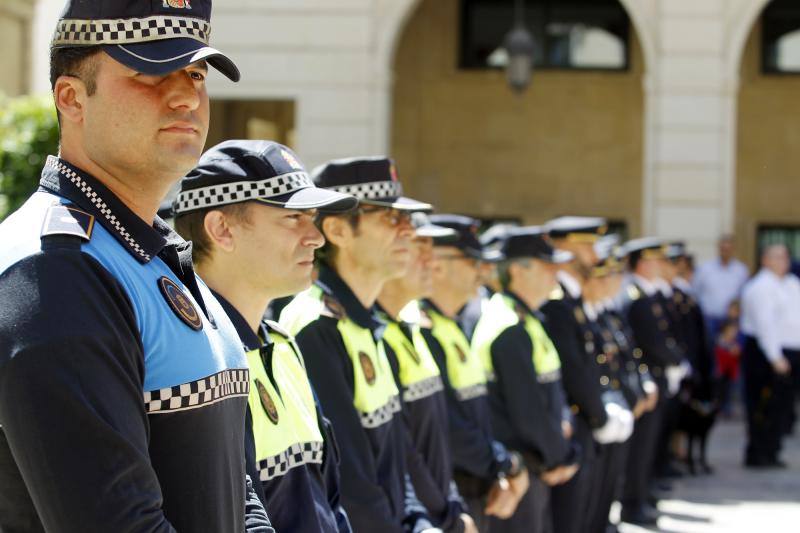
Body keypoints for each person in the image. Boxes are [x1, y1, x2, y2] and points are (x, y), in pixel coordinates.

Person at [0, 1, 275, 531]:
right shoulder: (52, 271)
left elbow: (233, 480)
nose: (186, 94)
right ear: (71, 98)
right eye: (149, 72)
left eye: (195, 72)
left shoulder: (150, 251)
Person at [173, 140, 358, 531]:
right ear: (221, 229)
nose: (317, 237)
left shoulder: (284, 346)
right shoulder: (189, 357)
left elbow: (330, 502)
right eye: (293, 218)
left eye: (313, 217)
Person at [280, 156, 438, 532]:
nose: (408, 231)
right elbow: (349, 482)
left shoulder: (367, 323)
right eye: (390, 218)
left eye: (407, 221)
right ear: (337, 230)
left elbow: (397, 455)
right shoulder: (315, 326)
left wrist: (420, 523)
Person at [422, 214, 530, 531]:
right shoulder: (422, 329)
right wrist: (504, 463)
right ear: (438, 265)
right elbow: (446, 425)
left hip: (477, 486)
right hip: (449, 493)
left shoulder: (452, 324)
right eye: (472, 262)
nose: (483, 273)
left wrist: (499, 467)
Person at [471, 226, 580, 533]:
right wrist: (563, 456)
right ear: (518, 270)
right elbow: (528, 413)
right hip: (523, 468)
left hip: (535, 464)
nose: (555, 273)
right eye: (547, 266)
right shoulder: (509, 327)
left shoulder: (526, 318)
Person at [377, 214, 478, 533]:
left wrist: (452, 506)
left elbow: (438, 434)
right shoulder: (378, 333)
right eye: (418, 245)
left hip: (439, 510)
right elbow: (403, 450)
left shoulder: (411, 326)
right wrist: (446, 514)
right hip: (420, 517)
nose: (430, 260)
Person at [540, 216, 631, 533]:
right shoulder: (557, 304)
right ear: (563, 247)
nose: (594, 255)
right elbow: (573, 370)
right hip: (573, 419)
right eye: (587, 245)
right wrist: (600, 414)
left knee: (584, 512)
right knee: (570, 516)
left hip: (586, 418)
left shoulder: (573, 301)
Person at [618, 238, 685, 526]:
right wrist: (675, 360)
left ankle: (641, 495)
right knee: (641, 448)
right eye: (656, 261)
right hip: (645, 377)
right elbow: (649, 341)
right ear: (643, 263)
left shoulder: (647, 294)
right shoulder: (635, 296)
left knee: (649, 445)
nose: (662, 266)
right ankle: (633, 503)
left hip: (654, 378)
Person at [740, 244, 800, 468]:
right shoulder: (760, 287)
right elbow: (766, 325)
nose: (782, 261)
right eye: (776, 257)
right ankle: (758, 452)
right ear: (765, 260)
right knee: (762, 406)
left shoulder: (792, 283)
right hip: (767, 354)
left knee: (782, 407)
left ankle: (772, 450)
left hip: (791, 352)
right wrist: (775, 357)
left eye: (785, 257)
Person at [692, 234, 750, 341]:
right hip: (709, 318)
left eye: (728, 248)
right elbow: (695, 291)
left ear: (733, 249)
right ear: (719, 248)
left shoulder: (741, 270)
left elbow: (744, 295)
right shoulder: (705, 268)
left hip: (731, 321)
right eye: (723, 248)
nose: (725, 251)